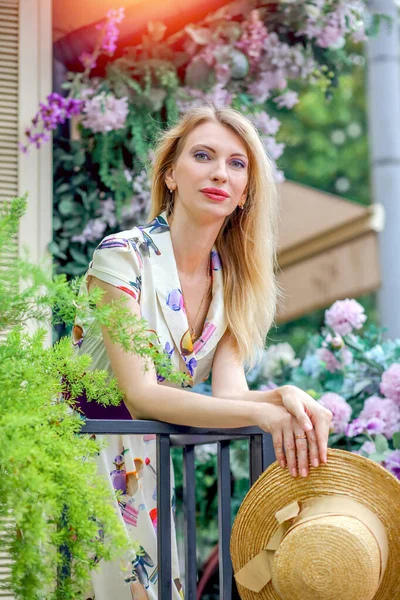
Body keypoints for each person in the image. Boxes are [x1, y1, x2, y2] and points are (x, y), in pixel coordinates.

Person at [74, 106, 333, 599]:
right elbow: (142, 394)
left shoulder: (233, 282)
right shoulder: (122, 256)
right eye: (203, 155)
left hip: (147, 471)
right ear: (170, 174)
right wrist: (266, 414)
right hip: (84, 458)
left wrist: (283, 396)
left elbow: (230, 394)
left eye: (237, 164)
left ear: (245, 195)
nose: (220, 172)